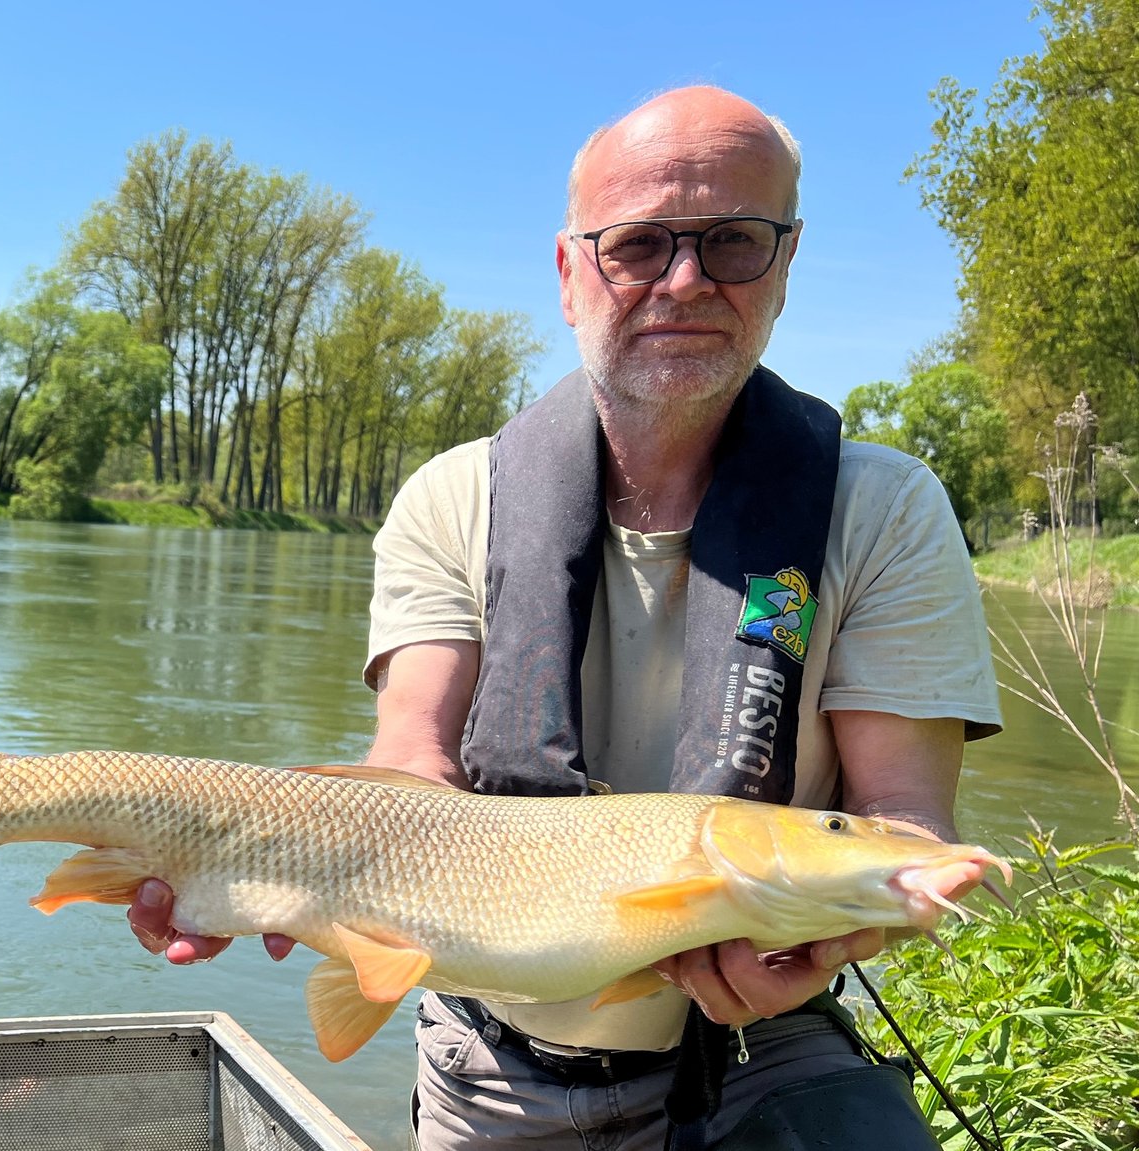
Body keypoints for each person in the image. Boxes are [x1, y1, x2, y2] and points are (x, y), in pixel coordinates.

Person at [129, 86, 1003, 1148]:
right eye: (636, 245)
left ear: (783, 266)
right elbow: (407, 766)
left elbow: (906, 828)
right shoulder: (450, 497)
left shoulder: (886, 506)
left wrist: (838, 934)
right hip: (490, 1052)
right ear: (567, 273)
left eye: (730, 240)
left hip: (757, 1048)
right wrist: (266, 865)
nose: (683, 281)